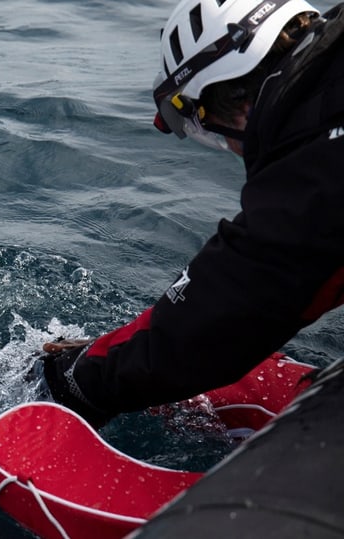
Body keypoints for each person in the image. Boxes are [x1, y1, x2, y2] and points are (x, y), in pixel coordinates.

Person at [39, 0, 344, 427]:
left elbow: (220, 315)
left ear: (228, 101)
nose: (233, 149)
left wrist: (75, 379)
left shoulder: (316, 169)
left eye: (207, 127)